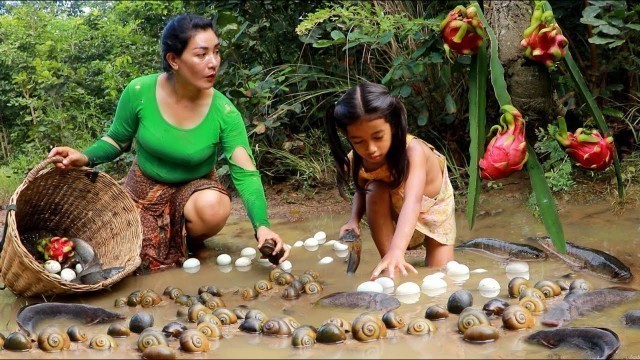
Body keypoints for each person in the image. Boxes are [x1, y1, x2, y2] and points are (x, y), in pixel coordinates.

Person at [48, 14, 289, 274]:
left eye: (216, 52)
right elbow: (117, 139)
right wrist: (84, 157)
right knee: (120, 258)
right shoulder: (139, 92)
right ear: (173, 60)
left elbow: (245, 172)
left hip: (195, 189)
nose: (214, 63)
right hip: (144, 190)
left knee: (214, 206)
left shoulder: (224, 111)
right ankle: (168, 240)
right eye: (202, 54)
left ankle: (191, 241)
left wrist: (261, 226)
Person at [324, 82, 456, 280]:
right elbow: (362, 190)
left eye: (378, 137)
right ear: (346, 135)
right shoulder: (358, 158)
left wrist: (398, 249)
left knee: (441, 275)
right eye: (359, 141)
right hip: (394, 205)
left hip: (433, 212)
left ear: (392, 125)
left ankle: (394, 255)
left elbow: (413, 201)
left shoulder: (414, 151)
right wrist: (354, 220)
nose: (371, 149)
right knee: (374, 189)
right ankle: (389, 264)